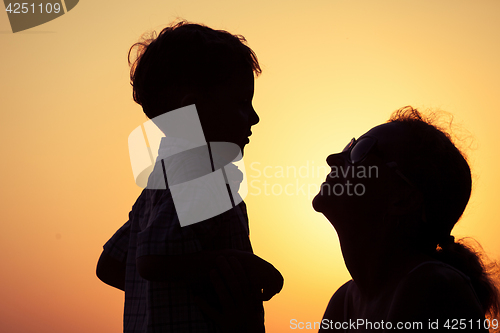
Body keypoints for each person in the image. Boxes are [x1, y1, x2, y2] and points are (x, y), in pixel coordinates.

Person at [96, 21, 283, 333]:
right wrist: (242, 266)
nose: (254, 117)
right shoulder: (202, 170)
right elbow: (152, 260)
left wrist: (166, 295)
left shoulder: (158, 185)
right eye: (241, 103)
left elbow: (112, 265)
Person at [312, 106, 500, 332]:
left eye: (360, 151)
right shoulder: (343, 301)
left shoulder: (434, 289)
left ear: (403, 198)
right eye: (349, 146)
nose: (333, 159)